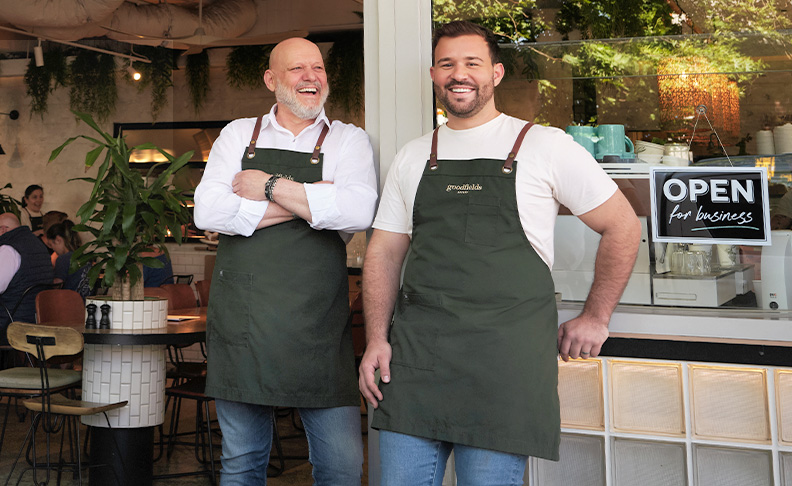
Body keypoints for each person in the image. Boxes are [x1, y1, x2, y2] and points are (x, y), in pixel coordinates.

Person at [358, 21, 642, 484]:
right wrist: (375, 338)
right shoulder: (413, 156)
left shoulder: (544, 146)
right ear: (433, 74)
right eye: (447, 64)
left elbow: (623, 227)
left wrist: (595, 315)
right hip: (416, 360)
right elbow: (384, 253)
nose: (459, 74)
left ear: (497, 73)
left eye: (472, 63)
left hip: (504, 366)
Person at [194, 37, 377, 485]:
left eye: (318, 68)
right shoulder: (238, 134)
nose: (311, 77)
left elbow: (357, 211)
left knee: (341, 466)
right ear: (271, 79)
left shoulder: (349, 140)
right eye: (297, 69)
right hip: (243, 326)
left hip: (319, 329)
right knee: (242, 463)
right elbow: (208, 213)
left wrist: (269, 185)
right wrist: (314, 202)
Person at [0, 213, 54, 343]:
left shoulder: (8, 249)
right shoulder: (38, 244)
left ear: (2, 229)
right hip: (39, 317)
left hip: (13, 320)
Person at [47, 220, 93, 300]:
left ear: (58, 240)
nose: (53, 249)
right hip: (86, 304)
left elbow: (57, 285)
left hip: (69, 304)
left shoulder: (63, 259)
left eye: (51, 245)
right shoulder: (85, 256)